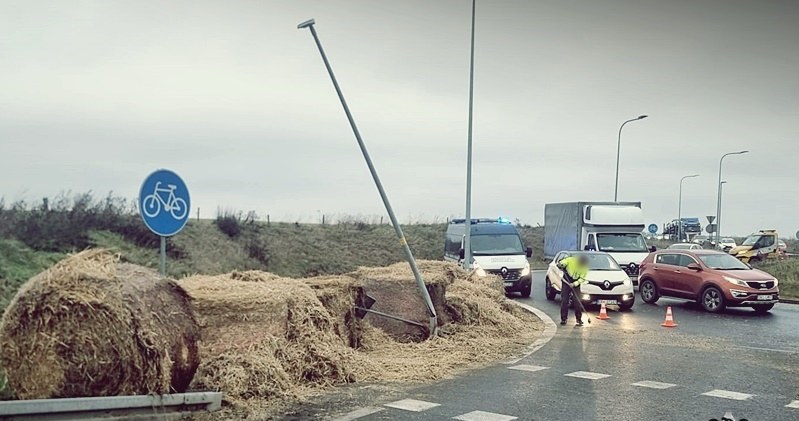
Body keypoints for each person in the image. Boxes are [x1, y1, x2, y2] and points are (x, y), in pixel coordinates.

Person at [557, 254, 590, 326]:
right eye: (580, 263)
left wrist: (574, 284)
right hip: (566, 280)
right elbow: (563, 262)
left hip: (576, 283)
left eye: (582, 264)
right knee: (564, 300)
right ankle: (563, 319)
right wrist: (561, 264)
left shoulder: (584, 268)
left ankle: (579, 319)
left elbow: (582, 278)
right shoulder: (571, 260)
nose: (580, 264)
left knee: (577, 301)